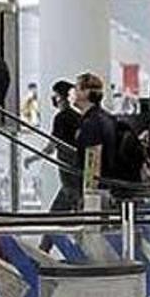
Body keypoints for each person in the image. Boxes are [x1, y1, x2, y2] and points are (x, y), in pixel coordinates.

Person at [74, 72, 133, 192]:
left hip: (101, 189)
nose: (74, 93)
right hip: (111, 185)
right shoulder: (107, 118)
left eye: (77, 89)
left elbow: (93, 162)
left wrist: (89, 194)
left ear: (86, 93)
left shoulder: (92, 123)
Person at [45, 80, 81, 211]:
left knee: (70, 194)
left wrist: (33, 158)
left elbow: (52, 145)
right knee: (74, 194)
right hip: (77, 163)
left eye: (54, 95)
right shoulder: (77, 116)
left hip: (67, 163)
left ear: (60, 96)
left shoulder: (60, 118)